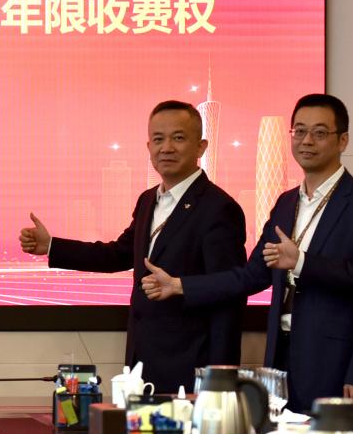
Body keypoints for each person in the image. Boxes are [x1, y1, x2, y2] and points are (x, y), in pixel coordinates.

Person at [141, 94, 353, 412]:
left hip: (333, 359)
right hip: (281, 355)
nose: (307, 141)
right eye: (299, 131)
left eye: (319, 132)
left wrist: (301, 262)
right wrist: (180, 286)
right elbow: (251, 276)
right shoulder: (286, 203)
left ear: (343, 140)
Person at [19, 100, 246, 394]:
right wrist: (52, 246)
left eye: (178, 138)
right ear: (148, 147)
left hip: (193, 365)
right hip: (143, 361)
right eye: (158, 139)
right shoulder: (148, 200)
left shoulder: (219, 208)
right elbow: (118, 254)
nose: (166, 148)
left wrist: (220, 379)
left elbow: (230, 291)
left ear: (201, 147)